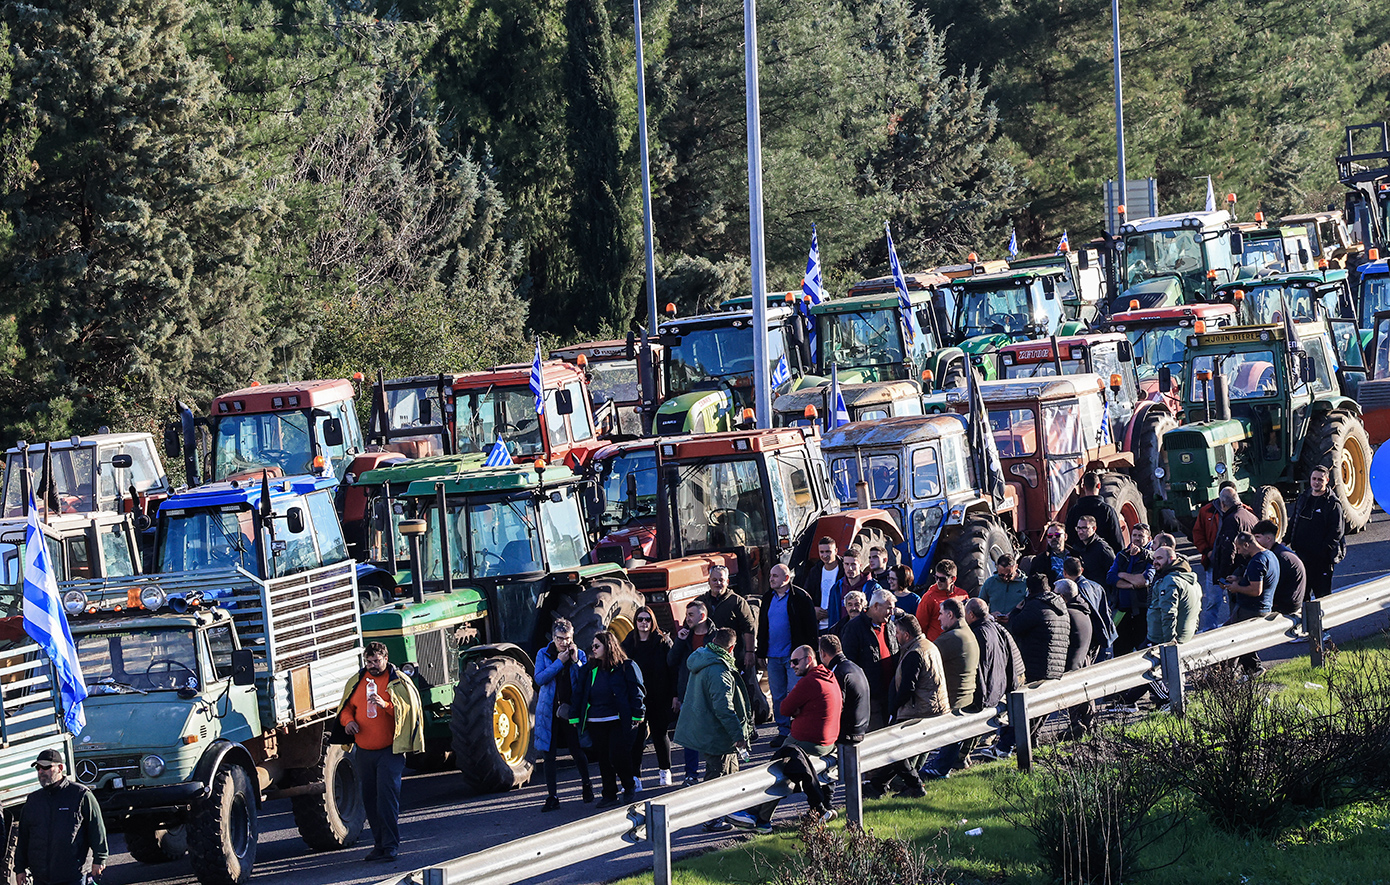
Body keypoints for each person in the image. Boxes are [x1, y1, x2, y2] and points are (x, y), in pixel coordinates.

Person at [728, 644, 842, 833]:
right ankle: (763, 819)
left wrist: (797, 711)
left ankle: (759, 817)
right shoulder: (828, 677)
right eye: (791, 662)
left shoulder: (810, 682)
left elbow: (783, 709)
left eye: (796, 662)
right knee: (786, 766)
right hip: (827, 744)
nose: (792, 666)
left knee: (776, 768)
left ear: (809, 659)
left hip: (808, 743)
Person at [335, 641, 425, 862]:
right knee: (370, 799)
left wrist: (385, 705)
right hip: (364, 752)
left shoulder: (397, 681)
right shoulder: (358, 681)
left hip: (390, 752)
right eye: (369, 661)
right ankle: (379, 845)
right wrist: (348, 722)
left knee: (387, 800)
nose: (373, 665)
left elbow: (407, 713)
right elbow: (346, 708)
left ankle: (391, 846)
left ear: (386, 658)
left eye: (376, 661)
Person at [674, 628, 755, 831]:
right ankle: (712, 818)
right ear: (732, 648)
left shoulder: (702, 657)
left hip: (706, 729)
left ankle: (721, 815)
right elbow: (724, 708)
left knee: (720, 773)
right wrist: (738, 735)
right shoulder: (719, 669)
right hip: (718, 734)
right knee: (719, 775)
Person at [865, 614, 949, 797]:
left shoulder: (914, 653)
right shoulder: (929, 646)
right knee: (900, 752)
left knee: (895, 750)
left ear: (906, 634)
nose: (895, 636)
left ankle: (914, 786)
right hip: (933, 706)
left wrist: (893, 710)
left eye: (897, 632)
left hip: (917, 710)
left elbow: (907, 688)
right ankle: (877, 785)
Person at [572, 630, 646, 808]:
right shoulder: (589, 669)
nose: (593, 649)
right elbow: (579, 693)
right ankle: (609, 794)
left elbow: (637, 691)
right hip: (596, 721)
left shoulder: (626, 666)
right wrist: (575, 717)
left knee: (617, 756)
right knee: (604, 759)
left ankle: (628, 786)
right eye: (593, 646)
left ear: (608, 646)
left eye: (597, 646)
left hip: (618, 720)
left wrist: (638, 714)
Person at [15, 749, 107, 885]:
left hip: (72, 874)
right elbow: (23, 837)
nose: (41, 771)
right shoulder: (33, 800)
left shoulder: (80, 795)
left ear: (60, 768)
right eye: (38, 768)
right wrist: (20, 868)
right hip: (41, 877)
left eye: (46, 767)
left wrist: (99, 859)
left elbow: (96, 828)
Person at [758, 563, 819, 748]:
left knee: (795, 694)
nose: (771, 579)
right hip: (773, 656)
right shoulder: (768, 597)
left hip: (795, 657)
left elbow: (810, 628)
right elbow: (762, 626)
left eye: (775, 576)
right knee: (778, 696)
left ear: (786, 578)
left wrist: (811, 654)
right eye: (770, 575)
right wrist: (761, 651)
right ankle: (783, 731)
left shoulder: (800, 597)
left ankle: (798, 731)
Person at [536, 619, 594, 810]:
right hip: (549, 711)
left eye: (568, 639)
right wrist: (559, 663)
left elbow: (584, 679)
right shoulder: (544, 654)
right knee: (549, 754)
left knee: (577, 749)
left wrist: (576, 661)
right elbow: (540, 678)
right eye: (560, 639)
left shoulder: (580, 654)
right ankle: (552, 796)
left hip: (570, 711)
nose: (564, 643)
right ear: (553, 638)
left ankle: (587, 785)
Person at [696, 565, 763, 728]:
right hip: (710, 658)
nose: (718, 583)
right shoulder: (701, 602)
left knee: (742, 692)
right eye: (714, 580)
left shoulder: (737, 602)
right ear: (708, 581)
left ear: (727, 581)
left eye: (721, 580)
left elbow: (749, 628)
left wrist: (749, 652)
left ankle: (748, 725)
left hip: (736, 657)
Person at [921, 596, 979, 778]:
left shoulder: (951, 638)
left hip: (954, 697)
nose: (938, 619)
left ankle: (940, 767)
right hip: (967, 694)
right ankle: (947, 763)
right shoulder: (968, 632)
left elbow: (926, 659)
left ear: (950, 615)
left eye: (941, 614)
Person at [965, 598, 1026, 760]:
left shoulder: (980, 632)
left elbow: (984, 666)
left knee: (1002, 714)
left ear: (971, 615)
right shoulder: (994, 626)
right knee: (1007, 713)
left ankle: (1002, 748)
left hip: (1011, 675)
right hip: (1013, 674)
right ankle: (1001, 747)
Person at [623, 606, 676, 788]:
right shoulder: (629, 641)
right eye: (640, 619)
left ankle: (665, 771)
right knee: (636, 739)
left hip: (659, 696)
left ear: (653, 621)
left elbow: (672, 670)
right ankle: (635, 778)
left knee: (660, 735)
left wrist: (675, 695)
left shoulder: (662, 642)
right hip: (638, 699)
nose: (644, 623)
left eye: (647, 619)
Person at [841, 587, 900, 730]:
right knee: (876, 735)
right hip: (870, 695)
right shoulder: (854, 628)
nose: (891, 612)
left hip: (890, 691)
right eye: (888, 608)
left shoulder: (890, 625)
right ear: (875, 606)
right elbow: (849, 663)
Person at [1222, 531, 1278, 675]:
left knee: (1232, 638)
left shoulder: (1257, 562)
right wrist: (1239, 579)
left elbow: (1255, 590)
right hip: (1263, 606)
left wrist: (1236, 588)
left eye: (1239, 549)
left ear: (1247, 545)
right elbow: (1260, 581)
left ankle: (1230, 673)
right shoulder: (1269, 555)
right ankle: (1251, 668)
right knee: (1242, 639)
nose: (1239, 553)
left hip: (1250, 608)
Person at [669, 600, 712, 786]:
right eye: (687, 615)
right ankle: (690, 774)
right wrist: (679, 640)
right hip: (689, 691)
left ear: (702, 616)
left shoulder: (715, 636)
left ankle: (713, 772)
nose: (687, 619)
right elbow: (671, 662)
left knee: (711, 734)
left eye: (691, 615)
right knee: (690, 736)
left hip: (710, 692)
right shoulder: (685, 637)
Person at [1288, 466, 1345, 601]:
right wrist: (1285, 540)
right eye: (1314, 479)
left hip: (1321, 561)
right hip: (1302, 557)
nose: (1316, 482)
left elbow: (1336, 532)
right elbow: (1293, 522)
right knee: (1302, 596)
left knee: (1323, 596)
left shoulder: (1332, 503)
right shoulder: (1303, 498)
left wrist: (1323, 551)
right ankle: (1306, 622)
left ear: (1327, 480)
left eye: (1320, 479)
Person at [1009, 573, 1070, 684]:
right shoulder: (1060, 604)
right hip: (1057, 666)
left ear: (1030, 590)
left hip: (1037, 667)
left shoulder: (1035, 605)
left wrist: (1016, 611)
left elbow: (1016, 627)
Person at [1191, 481, 1235, 631]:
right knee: (1213, 600)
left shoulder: (1244, 512)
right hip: (1214, 564)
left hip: (1235, 565)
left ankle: (1235, 627)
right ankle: (1209, 630)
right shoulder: (1206, 511)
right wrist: (1207, 551)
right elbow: (1197, 534)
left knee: (1235, 599)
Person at [1107, 522, 1154, 655]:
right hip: (1122, 612)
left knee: (1144, 651)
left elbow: (1145, 580)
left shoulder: (1152, 557)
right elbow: (1110, 578)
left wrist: (1122, 575)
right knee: (1121, 652)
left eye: (1141, 536)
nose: (1137, 539)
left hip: (1142, 612)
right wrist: (1131, 585)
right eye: (1134, 535)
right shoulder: (1122, 555)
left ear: (1148, 539)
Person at [819, 634, 869, 748]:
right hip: (862, 727)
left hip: (847, 733)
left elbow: (836, 706)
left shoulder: (837, 673)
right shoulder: (855, 667)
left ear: (822, 653)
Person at [1212, 487, 1257, 611]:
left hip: (1237, 572)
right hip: (1252, 569)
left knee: (1237, 611)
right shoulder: (1251, 517)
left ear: (1222, 503)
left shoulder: (1231, 520)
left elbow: (1228, 550)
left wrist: (1222, 577)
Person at [1252, 519, 1306, 623]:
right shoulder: (1278, 551)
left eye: (1257, 537)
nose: (1254, 541)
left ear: (1268, 538)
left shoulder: (1276, 557)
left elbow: (1269, 585)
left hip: (1286, 604)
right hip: (1291, 600)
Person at [1063, 556, 1116, 660]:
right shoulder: (1096, 586)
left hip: (1092, 638)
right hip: (1107, 634)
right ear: (1081, 570)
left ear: (1064, 573)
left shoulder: (1075, 592)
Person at [1147, 545, 1201, 645]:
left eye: (1159, 558)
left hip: (1161, 640)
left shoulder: (1170, 581)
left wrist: (1169, 641)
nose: (1155, 562)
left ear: (1171, 559)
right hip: (1185, 637)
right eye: (1154, 559)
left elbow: (1168, 613)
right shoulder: (1190, 579)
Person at [1064, 471, 1125, 554]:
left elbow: (1068, 539)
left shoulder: (1074, 511)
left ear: (1083, 487)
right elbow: (1117, 541)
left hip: (1079, 559)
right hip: (1101, 559)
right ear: (1099, 486)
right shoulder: (1107, 510)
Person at [914, 559, 969, 642]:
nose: (938, 582)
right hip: (936, 646)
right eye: (936, 578)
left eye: (942, 579)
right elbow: (920, 627)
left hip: (956, 645)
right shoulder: (929, 597)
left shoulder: (963, 595)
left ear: (953, 579)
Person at [809, 536, 845, 631]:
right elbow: (807, 595)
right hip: (820, 626)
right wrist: (813, 609)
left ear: (836, 551)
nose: (825, 555)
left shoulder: (844, 571)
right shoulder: (815, 572)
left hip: (838, 624)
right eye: (822, 552)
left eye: (828, 551)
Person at [1069, 515, 1116, 588]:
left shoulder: (1102, 549)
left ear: (1094, 528)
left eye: (1084, 528)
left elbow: (1113, 572)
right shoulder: (1077, 547)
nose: (1080, 532)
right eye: (1078, 528)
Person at [978, 553, 1026, 624]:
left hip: (1017, 627)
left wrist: (1013, 615)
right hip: (995, 627)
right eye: (1001, 575)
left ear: (1016, 567)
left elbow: (1030, 608)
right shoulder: (990, 582)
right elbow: (980, 605)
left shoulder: (1026, 583)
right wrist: (990, 615)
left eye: (1009, 575)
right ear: (997, 568)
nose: (1005, 578)